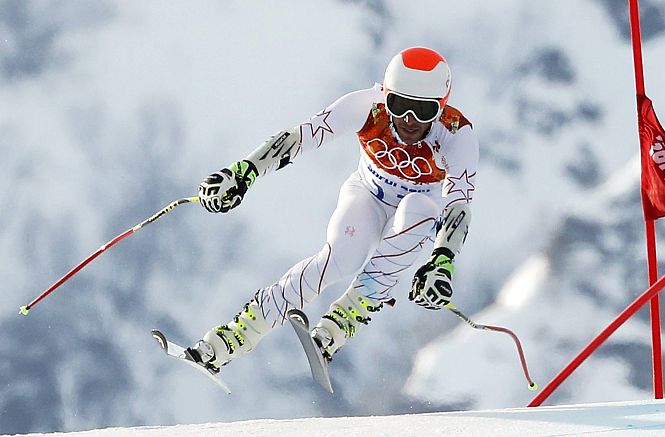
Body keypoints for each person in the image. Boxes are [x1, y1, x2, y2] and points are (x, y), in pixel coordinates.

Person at [189, 47, 479, 373]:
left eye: (422, 110)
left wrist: (443, 260)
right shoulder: (367, 107)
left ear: (440, 109)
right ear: (386, 96)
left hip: (416, 216)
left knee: (420, 207)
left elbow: (457, 204)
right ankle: (236, 336)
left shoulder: (456, 134)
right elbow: (301, 137)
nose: (409, 121)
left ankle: (343, 321)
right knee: (338, 260)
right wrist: (243, 171)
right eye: (399, 105)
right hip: (368, 196)